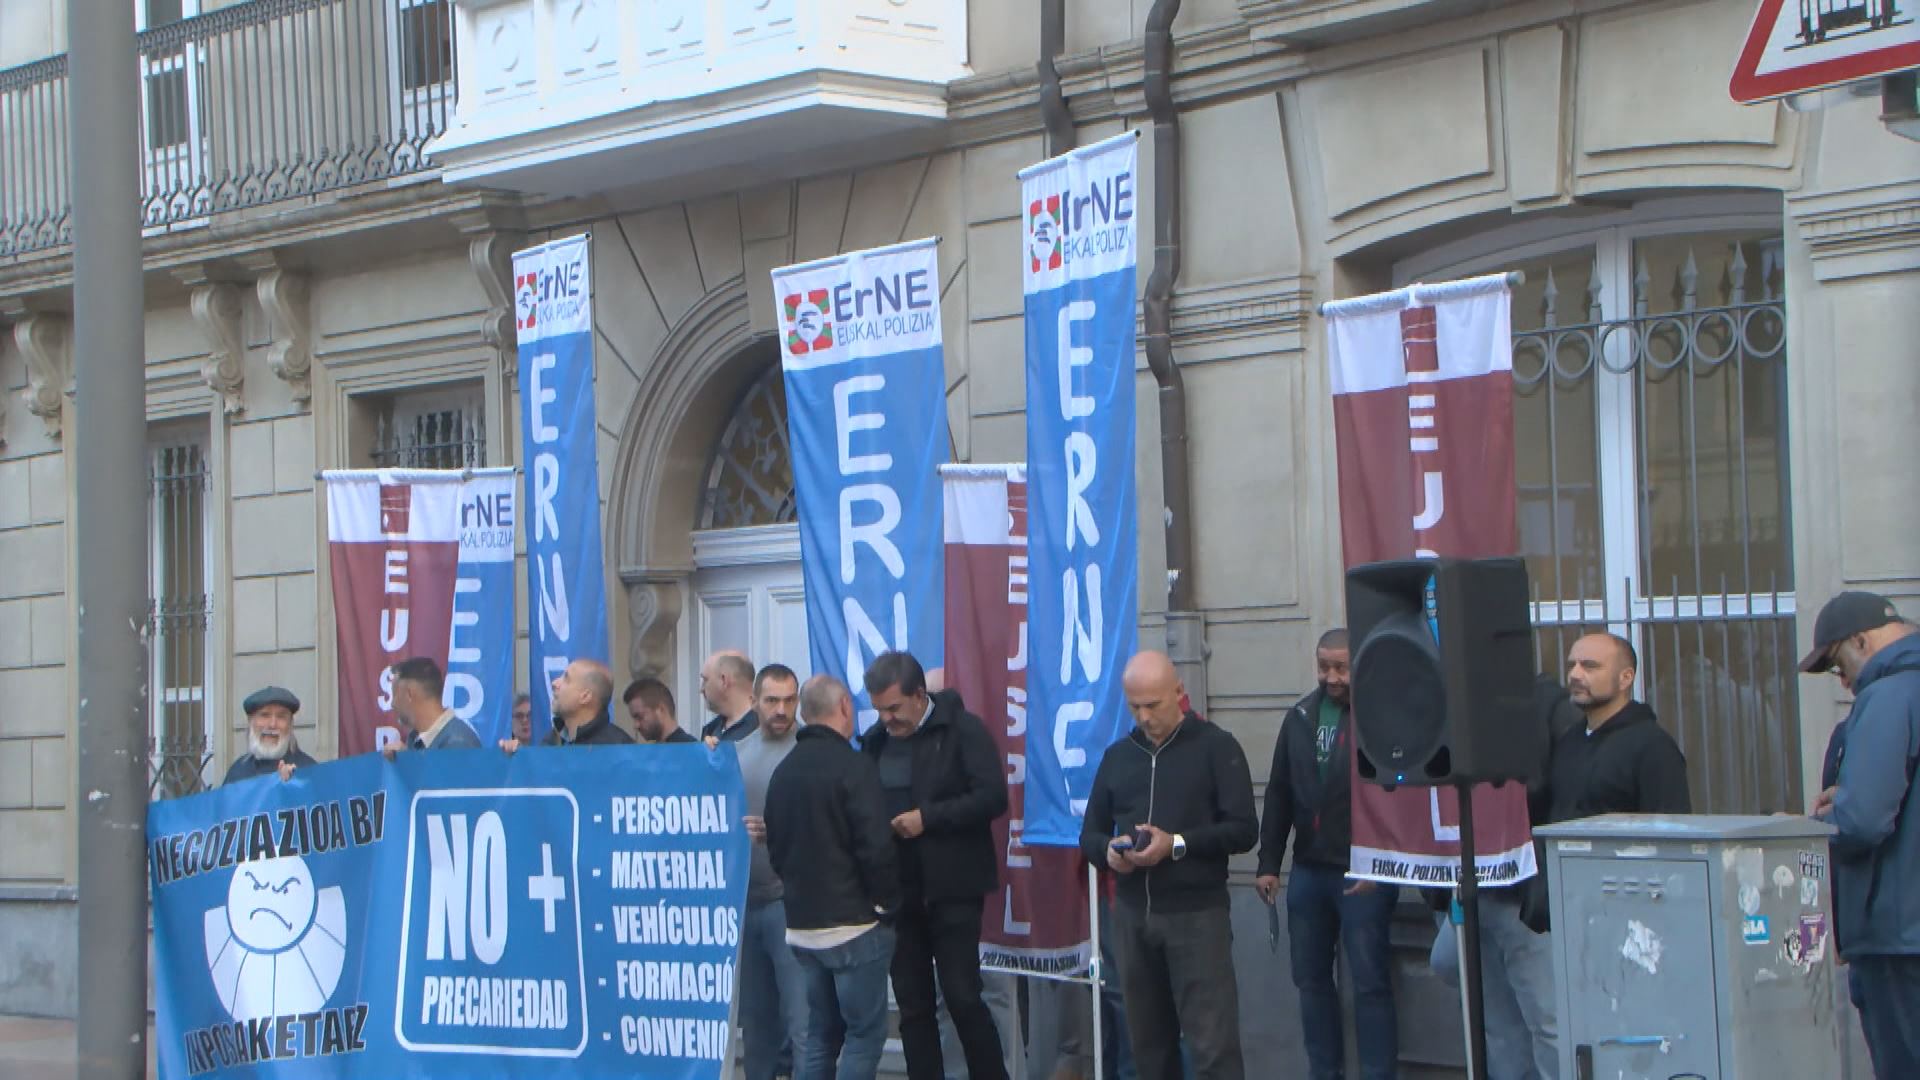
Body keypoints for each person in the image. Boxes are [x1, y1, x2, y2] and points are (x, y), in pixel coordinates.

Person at [1081, 651, 1258, 1080]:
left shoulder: (1216, 747)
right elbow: (1089, 834)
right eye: (1134, 706)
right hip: (1132, 916)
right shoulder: (1119, 756)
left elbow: (1243, 830)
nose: (1144, 717)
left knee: (1212, 1047)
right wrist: (1109, 851)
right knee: (1149, 1049)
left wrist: (1176, 844)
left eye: (1153, 705)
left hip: (1196, 915)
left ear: (1178, 692)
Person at [1254, 629, 1399, 1080]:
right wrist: (1268, 863)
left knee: (1370, 983)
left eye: (1341, 668)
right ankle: (1324, 1071)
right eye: (1324, 667)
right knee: (1310, 980)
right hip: (1308, 871)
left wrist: (1385, 861)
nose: (1331, 677)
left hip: (1364, 870)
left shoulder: (1381, 717)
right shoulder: (1300, 716)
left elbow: (1401, 799)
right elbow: (1279, 792)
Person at [858, 651, 1009, 1080]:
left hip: (953, 888)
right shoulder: (875, 741)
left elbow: (992, 797)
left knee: (963, 997)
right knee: (913, 1006)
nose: (887, 719)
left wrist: (928, 818)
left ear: (920, 695)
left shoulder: (963, 731)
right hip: (898, 894)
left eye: (894, 708)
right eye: (879, 710)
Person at [1803, 592, 1919, 1078]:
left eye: (1838, 664)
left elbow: (1863, 821)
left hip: (1898, 937)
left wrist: (1810, 827)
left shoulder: (1890, 695)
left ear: (1861, 641)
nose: (1844, 680)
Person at [766, 675, 900, 1080]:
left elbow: (776, 849)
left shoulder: (783, 771)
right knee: (864, 1035)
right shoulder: (854, 767)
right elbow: (876, 848)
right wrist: (886, 903)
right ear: (844, 707)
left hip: (802, 926)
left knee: (821, 1036)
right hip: (854, 924)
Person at [736, 663, 811, 1080]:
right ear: (753, 702)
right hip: (744, 903)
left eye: (789, 700)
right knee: (757, 1025)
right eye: (772, 701)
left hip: (791, 903)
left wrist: (778, 832)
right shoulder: (735, 754)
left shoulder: (810, 751)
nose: (782, 710)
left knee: (803, 1021)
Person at [1547, 633, 1690, 821]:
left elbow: (1670, 829)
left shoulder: (1654, 747)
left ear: (1625, 678)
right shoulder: (1569, 742)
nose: (1574, 675)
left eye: (1590, 666)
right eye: (1571, 665)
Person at [222, 686, 318, 784]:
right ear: (250, 721)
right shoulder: (238, 771)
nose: (272, 724)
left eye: (281, 717)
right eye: (265, 715)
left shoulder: (308, 771)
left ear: (290, 724)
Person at [389, 657, 481, 751]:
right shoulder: (415, 739)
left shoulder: (458, 744)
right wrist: (404, 758)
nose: (392, 704)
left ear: (409, 694)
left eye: (395, 694)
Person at [541, 658, 632, 746]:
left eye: (566, 679)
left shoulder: (619, 748)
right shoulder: (550, 743)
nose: (554, 683)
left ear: (585, 696)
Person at [701, 649, 760, 742]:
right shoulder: (710, 730)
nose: (701, 689)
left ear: (724, 680)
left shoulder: (762, 728)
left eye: (705, 680)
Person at [625, 677, 695, 744]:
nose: (636, 725)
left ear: (661, 710)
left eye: (640, 717)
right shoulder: (655, 750)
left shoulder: (690, 748)